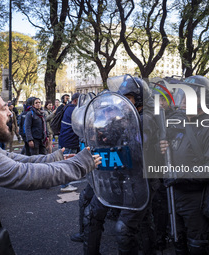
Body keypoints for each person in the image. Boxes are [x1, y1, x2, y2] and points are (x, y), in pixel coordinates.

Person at [0, 86, 101, 254]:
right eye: (3, 109)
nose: (10, 113)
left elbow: (17, 159)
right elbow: (25, 174)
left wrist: (55, 158)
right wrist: (80, 164)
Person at [83, 76, 161, 255]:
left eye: (129, 97)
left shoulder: (146, 119)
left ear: (139, 98)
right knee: (91, 215)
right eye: (123, 97)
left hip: (142, 179)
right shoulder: (125, 117)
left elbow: (137, 151)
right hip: (121, 175)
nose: (125, 101)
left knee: (125, 229)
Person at [160, 75, 209, 255]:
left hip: (198, 200)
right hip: (177, 195)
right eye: (182, 94)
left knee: (198, 246)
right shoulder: (183, 124)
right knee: (179, 243)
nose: (182, 100)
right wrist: (165, 150)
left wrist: (180, 175)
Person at [59, 92, 80, 192]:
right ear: (75, 101)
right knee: (68, 164)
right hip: (69, 141)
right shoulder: (74, 110)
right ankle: (65, 185)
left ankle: (65, 184)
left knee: (65, 163)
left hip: (65, 139)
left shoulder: (68, 108)